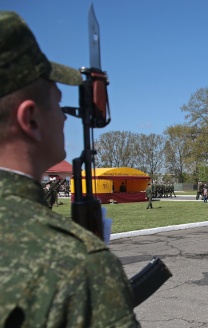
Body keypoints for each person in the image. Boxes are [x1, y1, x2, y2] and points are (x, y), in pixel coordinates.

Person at [0, 11, 139, 326]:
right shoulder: (74, 264)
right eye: (58, 101)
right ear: (31, 119)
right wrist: (90, 265)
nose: (65, 117)